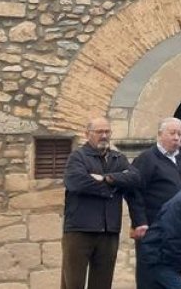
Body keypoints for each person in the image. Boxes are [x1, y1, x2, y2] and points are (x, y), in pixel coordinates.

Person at [62, 116, 141, 289]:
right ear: (87, 134)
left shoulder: (118, 158)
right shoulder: (77, 157)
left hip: (109, 230)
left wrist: (108, 178)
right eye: (99, 132)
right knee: (73, 283)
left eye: (107, 131)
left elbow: (135, 178)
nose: (104, 135)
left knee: (103, 284)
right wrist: (114, 188)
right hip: (80, 229)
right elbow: (77, 183)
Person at [128, 117, 181, 289]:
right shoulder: (147, 159)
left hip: (179, 229)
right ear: (159, 134)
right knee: (150, 277)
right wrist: (140, 222)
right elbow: (134, 192)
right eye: (172, 133)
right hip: (153, 229)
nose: (177, 138)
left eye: (180, 134)